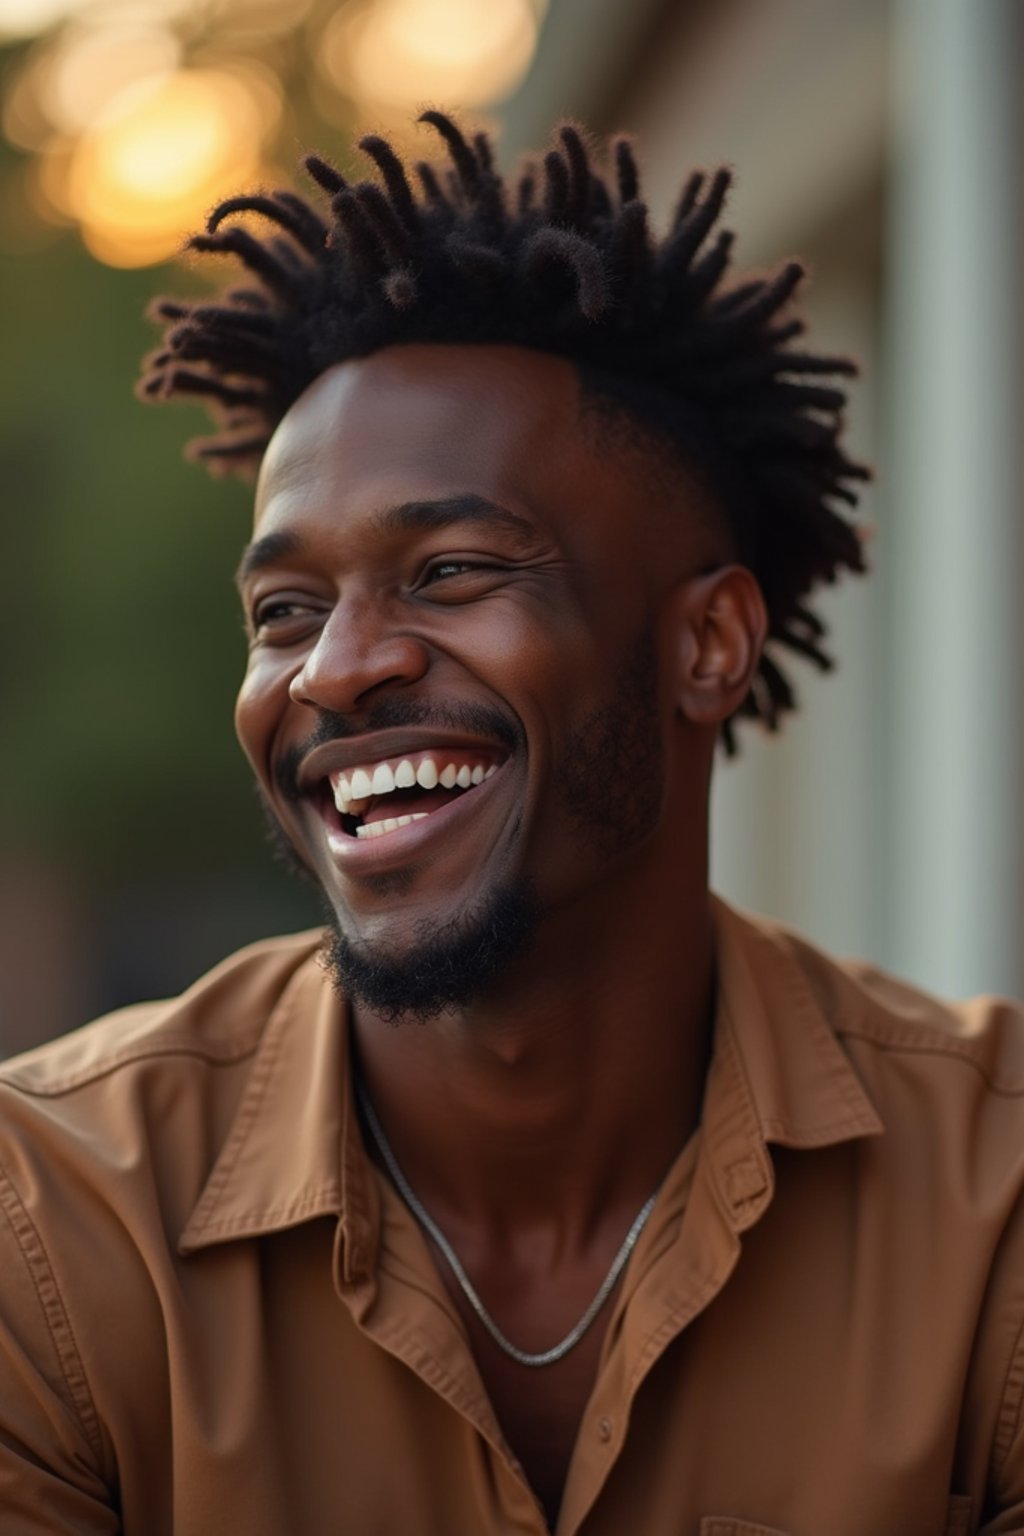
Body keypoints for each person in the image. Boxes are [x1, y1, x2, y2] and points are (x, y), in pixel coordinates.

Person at [1, 111, 1022, 1536]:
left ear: (708, 644)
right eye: (284, 611)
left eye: (452, 568)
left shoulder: (992, 1205)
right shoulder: (48, 1220)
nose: (338, 668)